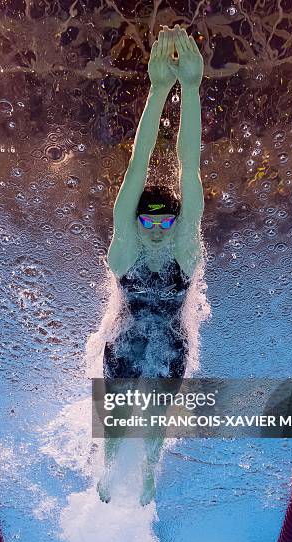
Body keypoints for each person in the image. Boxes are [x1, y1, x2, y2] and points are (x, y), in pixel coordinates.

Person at [97, 24, 205, 505]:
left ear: (178, 221)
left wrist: (190, 88)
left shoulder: (186, 247)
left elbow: (189, 166)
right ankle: (108, 464)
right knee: (117, 414)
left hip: (173, 342)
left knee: (158, 417)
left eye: (166, 221)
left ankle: (147, 474)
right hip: (124, 339)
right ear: (135, 218)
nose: (157, 229)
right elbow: (138, 165)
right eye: (147, 219)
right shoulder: (126, 248)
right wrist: (158, 90)